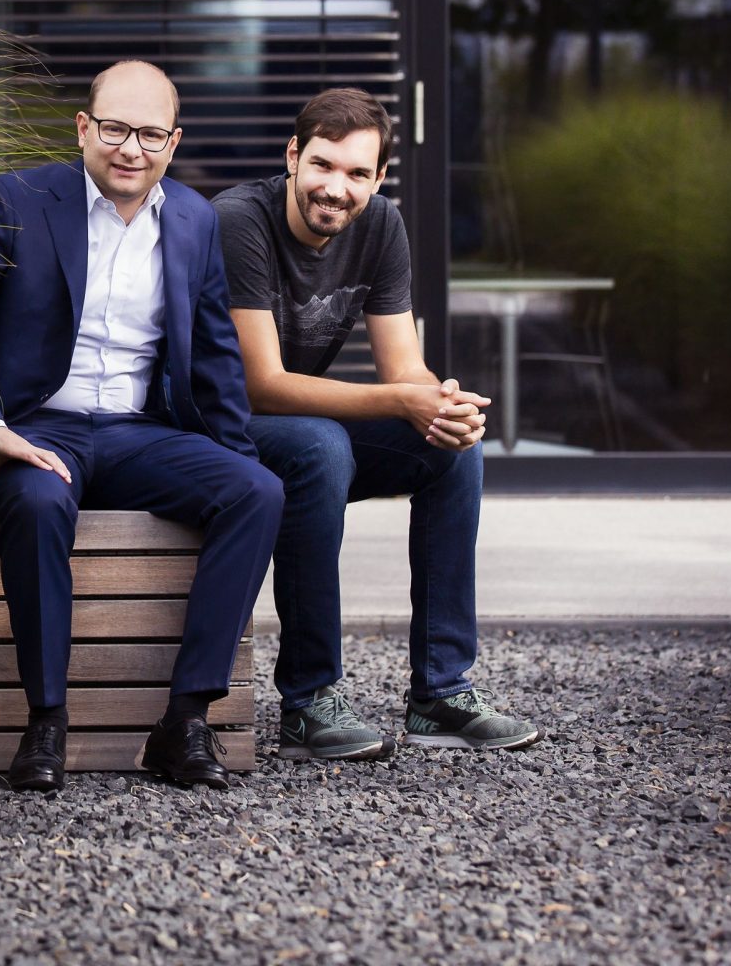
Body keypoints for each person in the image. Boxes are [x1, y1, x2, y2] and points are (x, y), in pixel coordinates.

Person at [0, 60, 283, 793]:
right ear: (84, 129)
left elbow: (216, 358)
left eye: (149, 134)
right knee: (40, 500)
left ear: (173, 143)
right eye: (114, 128)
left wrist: (232, 461)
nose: (129, 148)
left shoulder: (196, 220)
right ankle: (45, 722)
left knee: (257, 492)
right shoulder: (17, 198)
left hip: (137, 432)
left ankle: (186, 721)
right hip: (37, 425)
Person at [212, 87, 540, 761]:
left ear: (379, 177)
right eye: (324, 166)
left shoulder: (382, 225)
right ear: (293, 155)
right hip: (213, 427)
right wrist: (400, 401)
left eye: (358, 174)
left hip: (297, 428)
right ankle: (308, 701)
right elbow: (261, 386)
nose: (337, 188)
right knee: (320, 445)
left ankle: (440, 693)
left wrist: (439, 400)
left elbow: (404, 368)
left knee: (451, 450)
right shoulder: (237, 222)